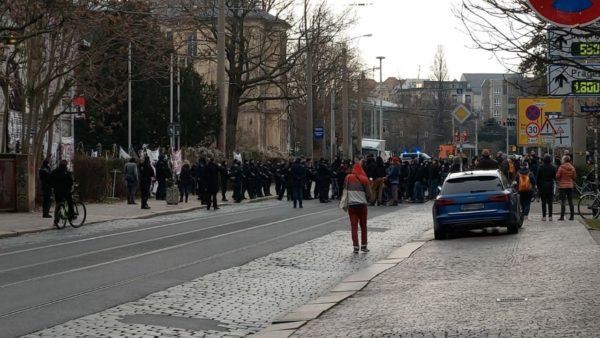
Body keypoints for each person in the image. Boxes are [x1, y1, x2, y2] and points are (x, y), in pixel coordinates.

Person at [344, 161, 372, 253]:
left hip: (352, 206)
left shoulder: (348, 178)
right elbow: (369, 194)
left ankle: (355, 247)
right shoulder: (364, 179)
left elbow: (344, 189)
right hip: (362, 206)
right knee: (363, 226)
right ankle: (364, 246)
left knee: (354, 226)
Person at [50, 160, 74, 225]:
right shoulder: (67, 172)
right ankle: (71, 217)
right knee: (70, 203)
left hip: (57, 191)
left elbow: (50, 180)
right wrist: (69, 187)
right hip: (66, 191)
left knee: (58, 203)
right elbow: (71, 182)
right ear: (66, 165)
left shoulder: (54, 172)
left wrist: (53, 186)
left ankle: (56, 220)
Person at [537, 153, 557, 221]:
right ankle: (550, 216)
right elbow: (555, 177)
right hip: (550, 186)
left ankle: (544, 216)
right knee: (550, 202)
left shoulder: (540, 167)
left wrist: (538, 186)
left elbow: (538, 178)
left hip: (542, 186)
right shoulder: (553, 167)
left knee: (543, 202)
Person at [556, 155, 576, 220]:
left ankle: (562, 217)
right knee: (571, 201)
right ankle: (572, 216)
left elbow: (557, 176)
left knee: (563, 201)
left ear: (564, 160)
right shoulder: (572, 168)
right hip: (570, 186)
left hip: (562, 187)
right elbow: (574, 177)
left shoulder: (561, 167)